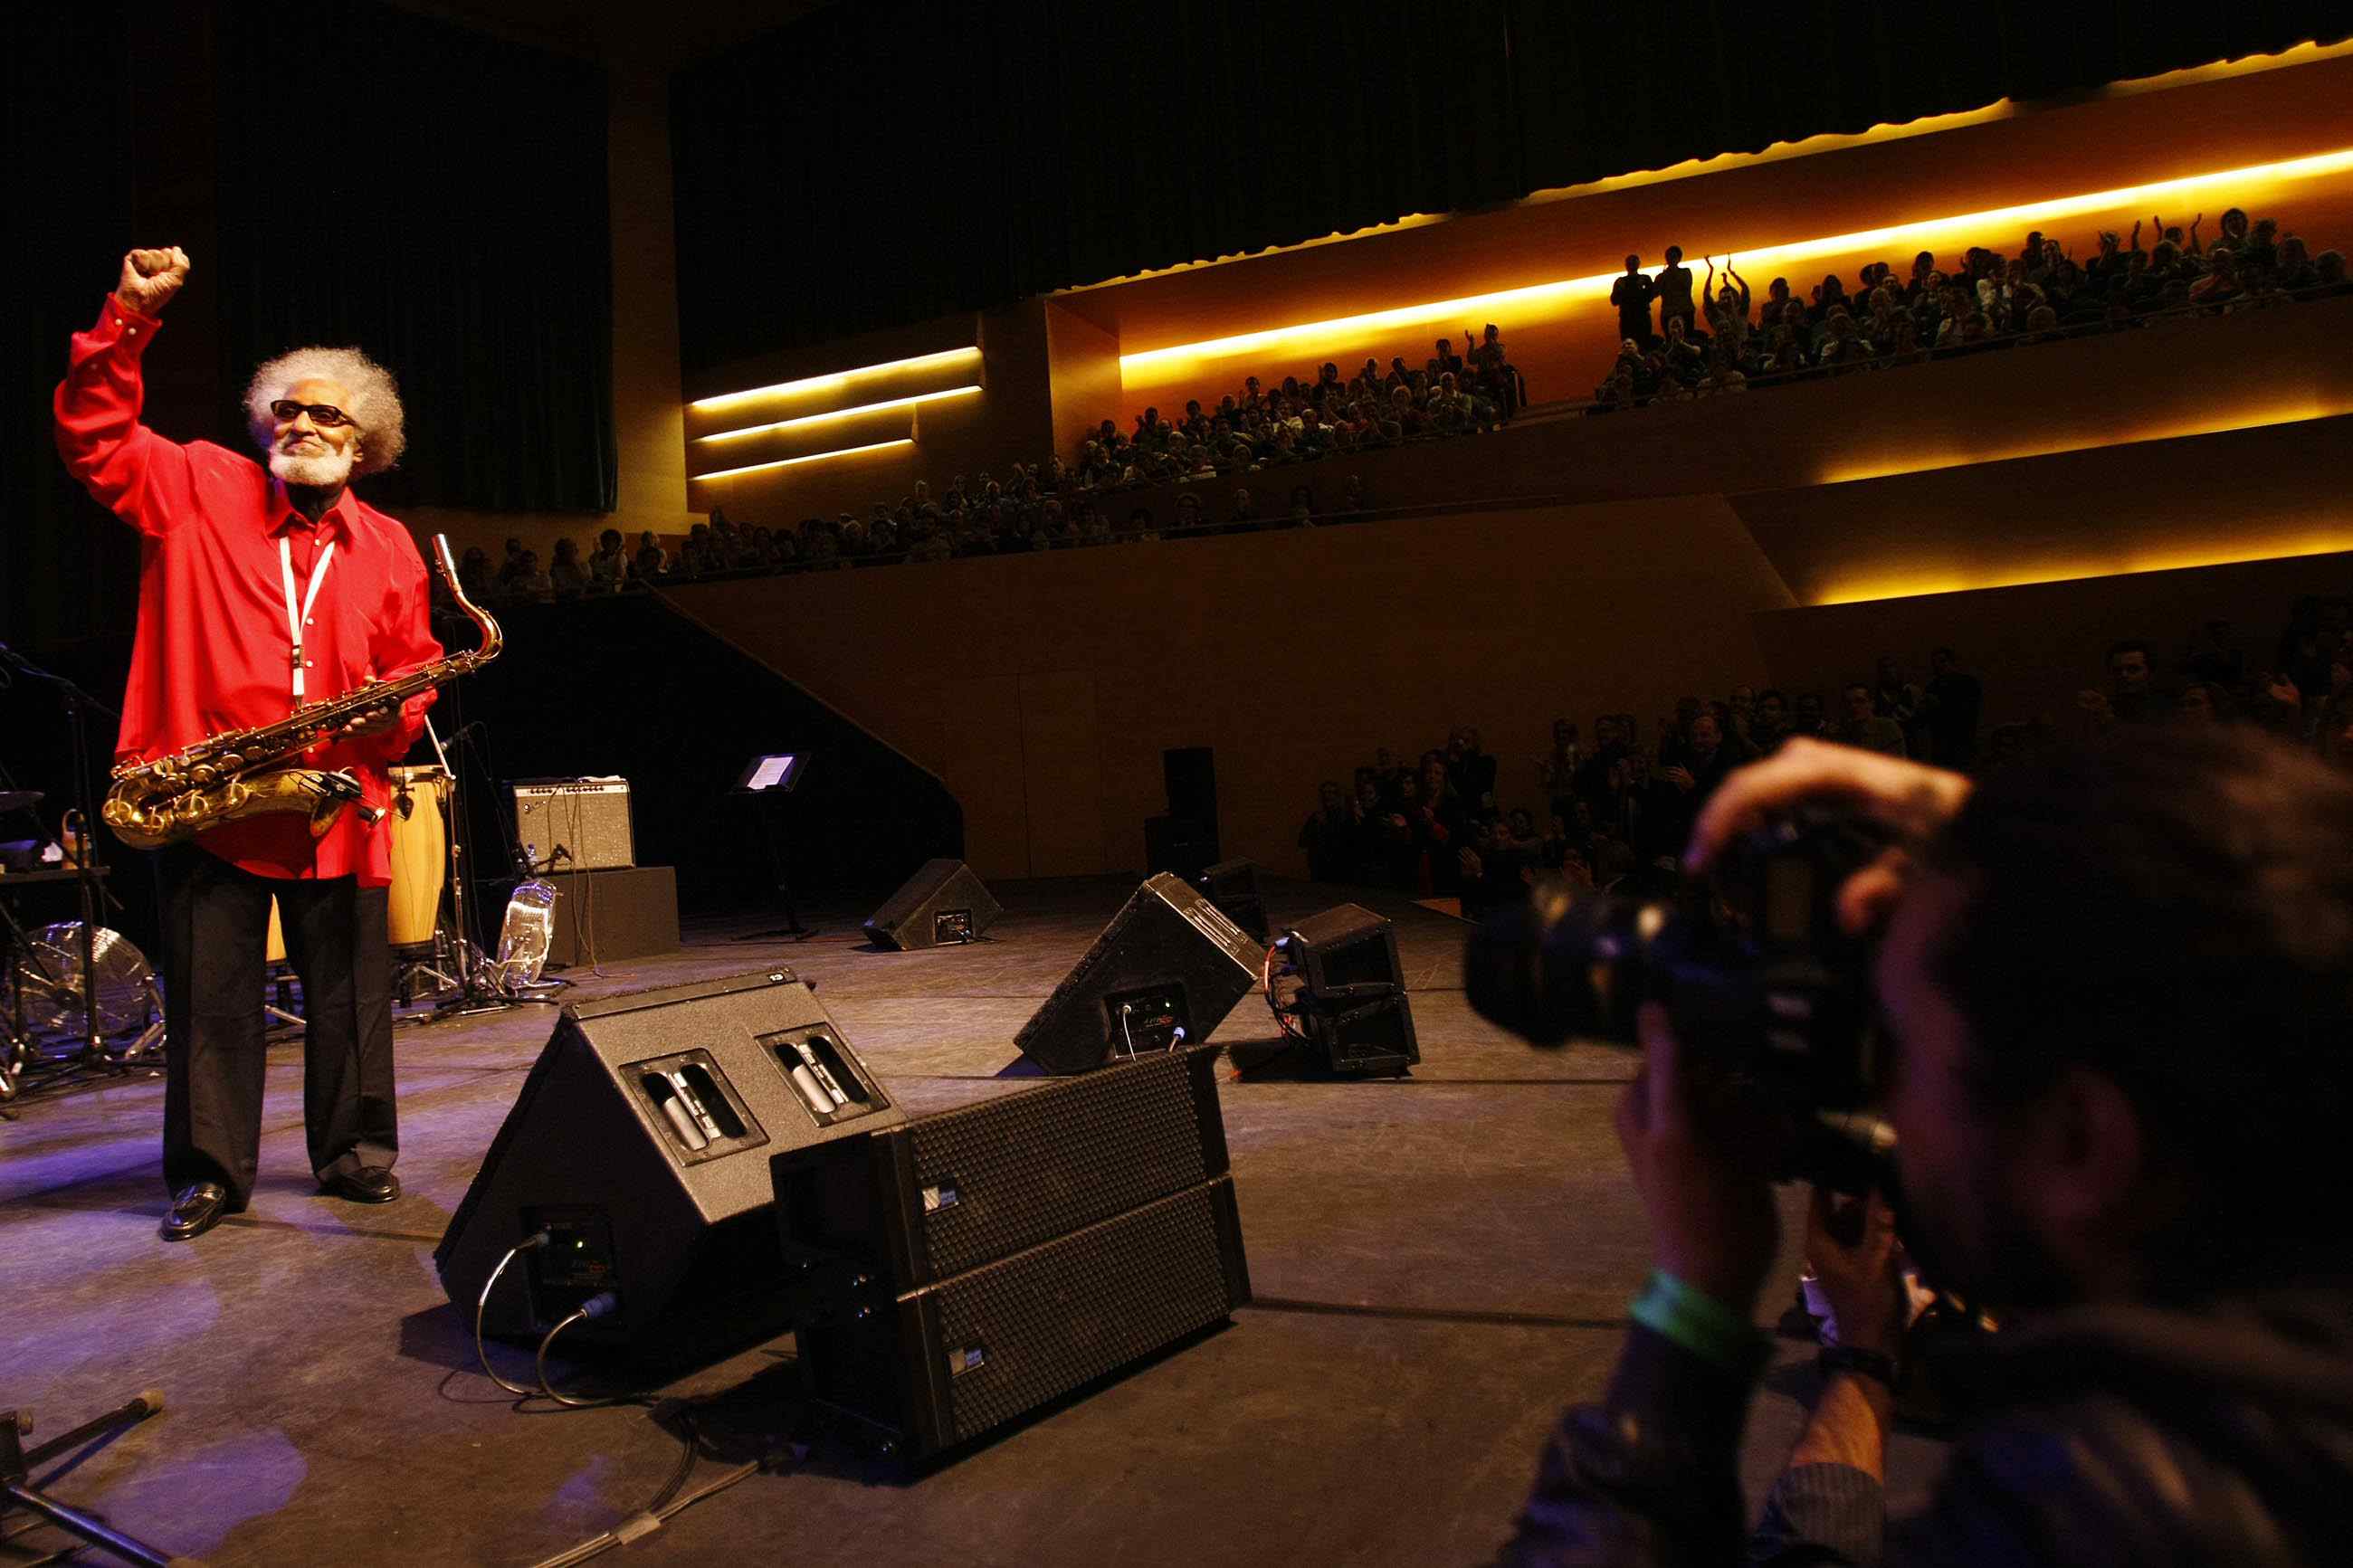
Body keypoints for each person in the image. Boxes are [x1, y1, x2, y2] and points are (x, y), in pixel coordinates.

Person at [1498, 727, 2353, 1565]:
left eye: (1895, 1047)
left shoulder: (2094, 1506)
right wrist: (2060, 862)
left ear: (2083, 1141)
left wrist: (1697, 1302)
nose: (1874, 1098)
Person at [54, 246, 442, 1242]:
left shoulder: (391, 544)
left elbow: (415, 663)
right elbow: (94, 437)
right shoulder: (195, 484)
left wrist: (382, 718)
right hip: (213, 803)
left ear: (368, 444)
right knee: (211, 1002)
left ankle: (355, 1152)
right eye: (288, 410)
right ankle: (210, 1172)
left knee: (353, 1000)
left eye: (329, 415)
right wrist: (131, 316)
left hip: (335, 800)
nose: (303, 425)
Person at [1612, 255, 1656, 348]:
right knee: (1640, 345)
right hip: (1635, 317)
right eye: (1630, 263)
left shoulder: (1621, 281)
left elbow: (1651, 296)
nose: (1631, 265)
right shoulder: (1644, 279)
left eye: (1633, 263)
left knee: (1635, 345)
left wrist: (1623, 290)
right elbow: (1614, 301)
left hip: (1633, 318)